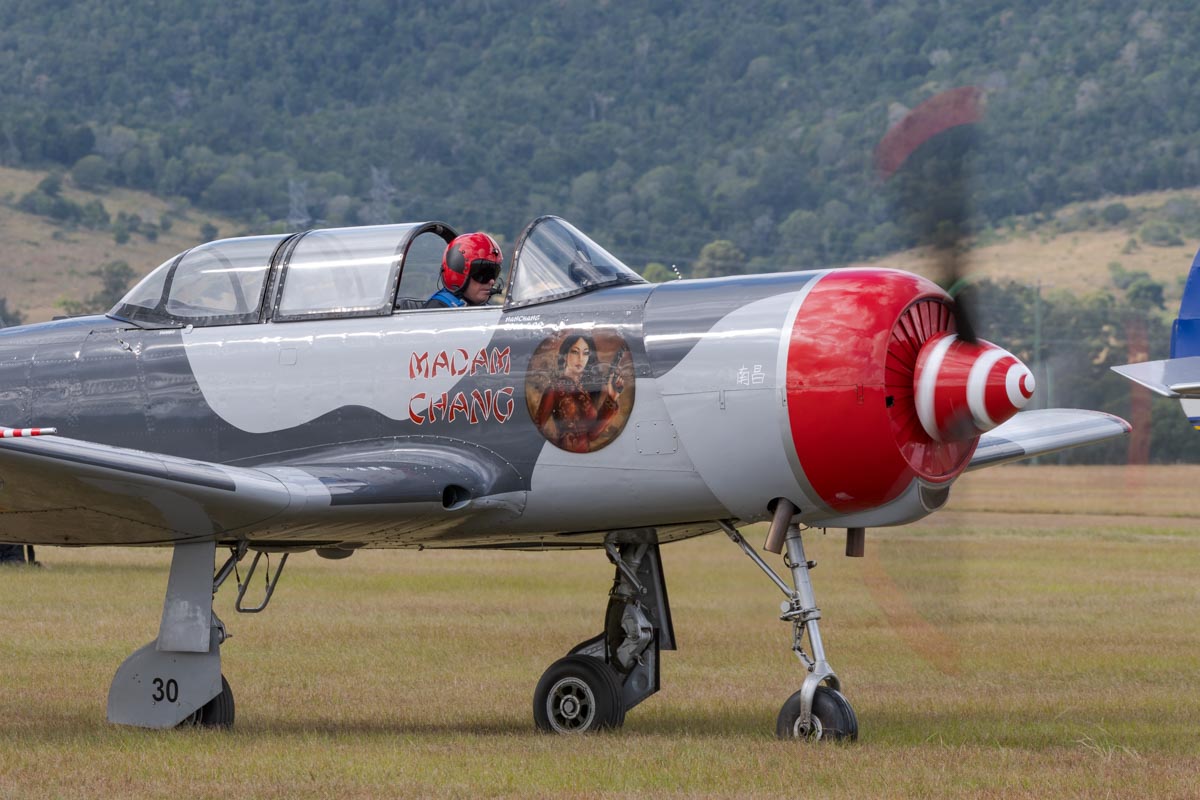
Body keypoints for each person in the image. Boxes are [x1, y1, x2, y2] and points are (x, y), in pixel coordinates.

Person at [532, 334, 625, 453]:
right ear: (565, 354)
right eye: (575, 352)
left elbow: (592, 434)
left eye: (586, 353)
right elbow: (535, 429)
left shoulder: (584, 391)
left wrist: (612, 397)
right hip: (563, 457)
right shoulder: (554, 390)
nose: (581, 358)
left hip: (586, 457)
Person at [425, 232, 503, 308]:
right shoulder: (437, 310)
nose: (492, 281)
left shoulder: (486, 310)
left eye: (494, 274)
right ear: (457, 268)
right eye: (484, 274)